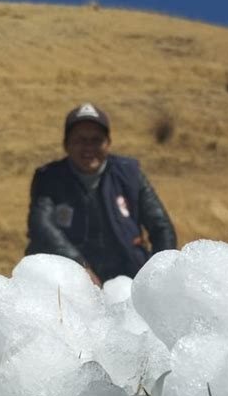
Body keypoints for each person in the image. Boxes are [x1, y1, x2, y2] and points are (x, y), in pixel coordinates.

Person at [26, 102, 177, 284]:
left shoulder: (130, 174)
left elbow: (161, 226)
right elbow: (41, 225)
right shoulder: (49, 178)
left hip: (128, 282)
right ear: (66, 144)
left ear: (108, 143)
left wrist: (157, 274)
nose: (89, 147)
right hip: (70, 284)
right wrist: (80, 267)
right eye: (80, 140)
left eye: (96, 140)